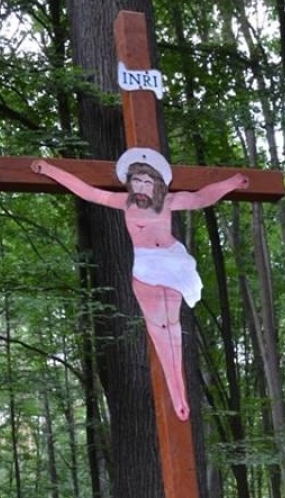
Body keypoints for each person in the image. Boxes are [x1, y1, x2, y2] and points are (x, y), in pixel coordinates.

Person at [31, 149, 248, 422]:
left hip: (172, 263)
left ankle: (180, 396)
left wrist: (232, 183)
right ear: (130, 182)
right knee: (158, 328)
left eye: (148, 182)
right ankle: (177, 395)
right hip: (146, 266)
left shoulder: (168, 201)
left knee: (173, 326)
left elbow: (201, 197)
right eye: (137, 181)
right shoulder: (124, 202)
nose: (142, 187)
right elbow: (86, 191)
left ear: (158, 183)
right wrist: (49, 170)